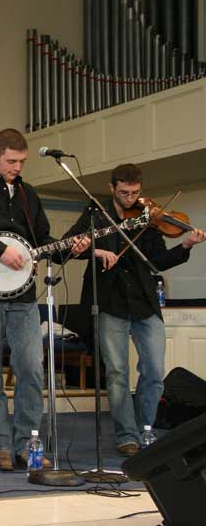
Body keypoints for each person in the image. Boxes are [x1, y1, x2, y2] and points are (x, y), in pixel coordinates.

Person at [0, 128, 89, 471]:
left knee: (31, 367)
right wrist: (0, 251)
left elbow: (41, 239)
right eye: (11, 161)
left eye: (22, 161)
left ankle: (28, 444)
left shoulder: (28, 194)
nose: (17, 167)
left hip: (24, 293)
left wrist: (70, 248)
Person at [62, 163, 206, 456]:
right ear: (113, 188)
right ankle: (126, 435)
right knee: (117, 372)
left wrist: (187, 245)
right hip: (109, 301)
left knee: (153, 370)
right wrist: (95, 250)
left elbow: (159, 261)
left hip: (144, 301)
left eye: (136, 193)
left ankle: (146, 430)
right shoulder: (95, 214)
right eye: (125, 193)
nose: (131, 199)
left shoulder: (146, 217)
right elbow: (69, 246)